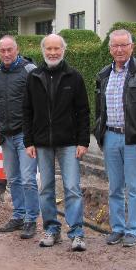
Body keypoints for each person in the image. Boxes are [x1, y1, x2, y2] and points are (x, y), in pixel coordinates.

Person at [94, 29, 136, 247]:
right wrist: (100, 134)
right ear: (110, 49)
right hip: (111, 137)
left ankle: (132, 230)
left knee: (134, 187)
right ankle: (117, 228)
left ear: (132, 47)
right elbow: (99, 110)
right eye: (115, 46)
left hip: (134, 139)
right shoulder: (104, 75)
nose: (120, 49)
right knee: (114, 187)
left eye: (124, 45)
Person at [23, 34, 90, 251]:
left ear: (64, 50)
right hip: (42, 143)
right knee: (46, 188)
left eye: (57, 49)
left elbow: (83, 112)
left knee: (72, 187)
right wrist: (28, 141)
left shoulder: (74, 77)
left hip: (69, 142)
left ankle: (77, 232)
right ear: (43, 51)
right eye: (49, 49)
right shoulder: (33, 77)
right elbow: (27, 111)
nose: (53, 53)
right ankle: (52, 229)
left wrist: (83, 141)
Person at [0, 36, 40, 239]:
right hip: (5, 136)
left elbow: (39, 102)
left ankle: (31, 219)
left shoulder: (29, 70)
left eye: (10, 50)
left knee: (28, 179)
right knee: (14, 178)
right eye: (3, 51)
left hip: (25, 136)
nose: (7, 54)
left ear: (17, 49)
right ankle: (18, 215)